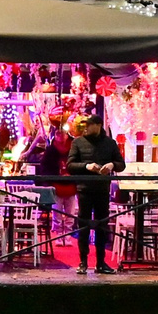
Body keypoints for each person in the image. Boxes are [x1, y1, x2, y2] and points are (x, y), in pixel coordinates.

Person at [66, 115, 124, 274]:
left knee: (102, 226)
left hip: (102, 190)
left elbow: (121, 164)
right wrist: (87, 166)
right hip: (84, 189)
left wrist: (112, 165)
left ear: (98, 126)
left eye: (88, 125)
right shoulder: (77, 142)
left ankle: (101, 262)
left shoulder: (110, 143)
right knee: (83, 226)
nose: (85, 128)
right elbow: (70, 165)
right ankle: (83, 262)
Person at [25, 123, 69, 264]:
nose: (61, 137)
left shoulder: (73, 148)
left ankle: (67, 235)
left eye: (63, 134)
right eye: (59, 134)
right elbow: (45, 167)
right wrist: (50, 179)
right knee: (57, 210)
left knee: (70, 211)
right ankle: (58, 234)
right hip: (55, 183)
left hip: (70, 184)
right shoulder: (51, 150)